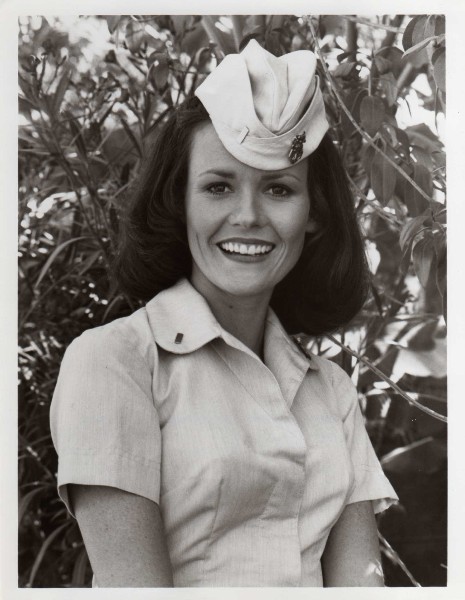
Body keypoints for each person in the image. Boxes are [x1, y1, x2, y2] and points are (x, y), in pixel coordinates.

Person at [50, 39, 398, 588]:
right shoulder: (115, 361)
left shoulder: (330, 390)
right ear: (180, 202)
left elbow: (363, 583)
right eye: (218, 187)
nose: (248, 216)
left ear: (314, 213)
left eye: (279, 189)